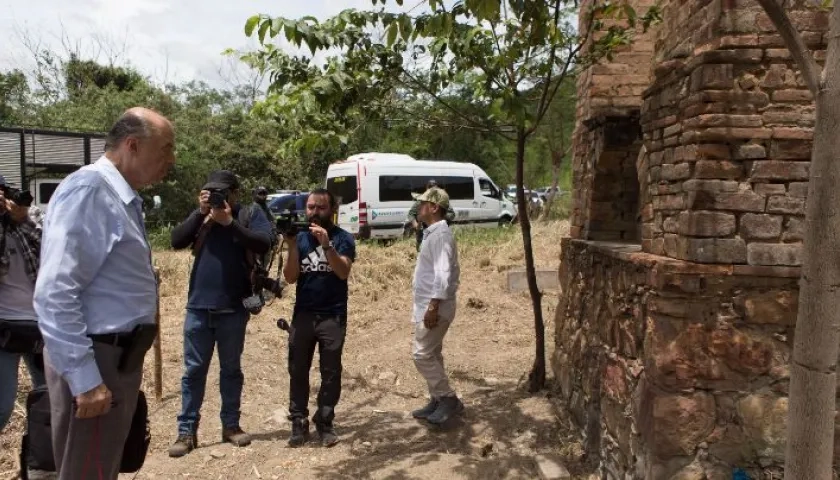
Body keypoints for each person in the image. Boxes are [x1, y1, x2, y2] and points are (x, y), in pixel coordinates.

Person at [33, 107, 175, 480]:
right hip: (97, 359)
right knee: (88, 471)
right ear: (132, 145)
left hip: (114, 357)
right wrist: (86, 379)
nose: (170, 161)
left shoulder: (117, 196)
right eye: (165, 149)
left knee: (101, 468)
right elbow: (55, 292)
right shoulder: (90, 191)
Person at [167, 170, 272, 458]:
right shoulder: (202, 218)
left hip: (233, 309)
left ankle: (231, 426)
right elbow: (176, 241)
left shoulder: (248, 214)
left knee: (231, 371)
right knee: (193, 373)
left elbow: (264, 242)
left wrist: (229, 223)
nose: (217, 197)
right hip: (198, 308)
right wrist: (200, 212)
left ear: (235, 193)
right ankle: (186, 432)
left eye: (223, 192)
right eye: (211, 192)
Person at [283, 188, 355, 447]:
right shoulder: (300, 238)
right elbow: (290, 277)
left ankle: (325, 421)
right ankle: (298, 421)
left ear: (332, 210)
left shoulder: (343, 238)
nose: (314, 212)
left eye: (320, 207)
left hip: (332, 315)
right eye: (310, 207)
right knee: (297, 370)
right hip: (304, 314)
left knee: (331, 372)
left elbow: (343, 272)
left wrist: (327, 246)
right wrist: (291, 246)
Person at [409, 186, 463, 425]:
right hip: (429, 304)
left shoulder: (440, 236)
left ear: (434, 207)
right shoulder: (432, 233)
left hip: (435, 306)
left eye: (422, 204)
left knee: (421, 354)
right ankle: (437, 399)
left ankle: (447, 398)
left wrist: (432, 307)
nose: (418, 207)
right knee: (433, 353)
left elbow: (443, 274)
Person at [0, 175, 46, 432]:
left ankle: (39, 460)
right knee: (2, 405)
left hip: (40, 322)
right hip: (4, 326)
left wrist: (22, 219)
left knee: (48, 399)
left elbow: (51, 251)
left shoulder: (33, 215)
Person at [408, 180, 455, 252]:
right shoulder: (421, 200)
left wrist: (436, 219)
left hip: (435, 232)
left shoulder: (441, 201)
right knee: (421, 252)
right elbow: (411, 214)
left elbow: (451, 214)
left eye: (433, 188)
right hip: (422, 233)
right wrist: (416, 225)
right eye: (429, 188)